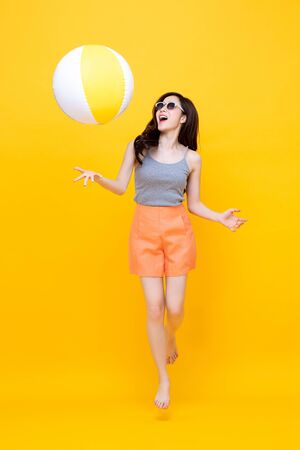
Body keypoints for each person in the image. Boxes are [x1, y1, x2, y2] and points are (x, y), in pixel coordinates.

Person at [73, 91, 248, 409]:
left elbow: (193, 204)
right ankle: (163, 380)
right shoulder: (138, 147)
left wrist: (220, 218)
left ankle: (171, 335)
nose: (161, 109)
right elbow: (121, 187)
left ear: (183, 118)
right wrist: (98, 178)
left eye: (170, 106)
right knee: (155, 307)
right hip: (144, 231)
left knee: (176, 308)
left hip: (177, 230)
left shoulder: (192, 158)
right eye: (159, 105)